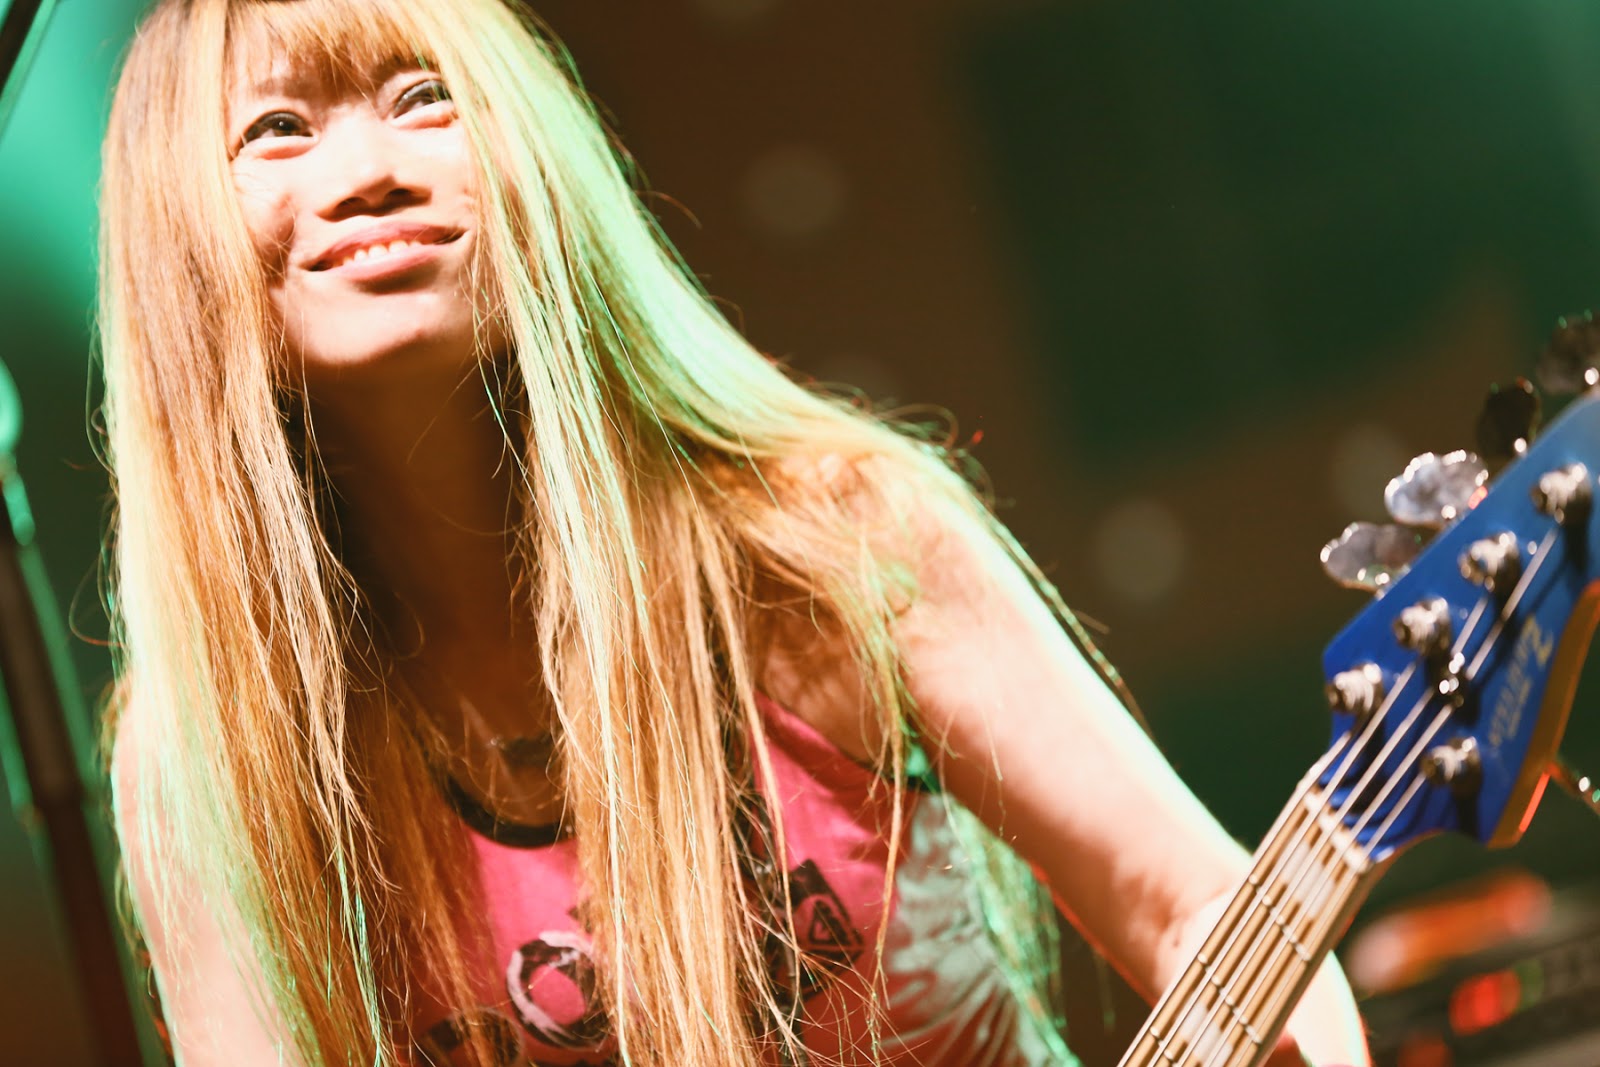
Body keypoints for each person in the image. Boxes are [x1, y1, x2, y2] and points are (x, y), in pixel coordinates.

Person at [98, 0, 1370, 1064]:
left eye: (425, 97)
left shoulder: (826, 538)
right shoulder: (202, 745)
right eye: (277, 129)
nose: (368, 168)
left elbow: (1191, 901)